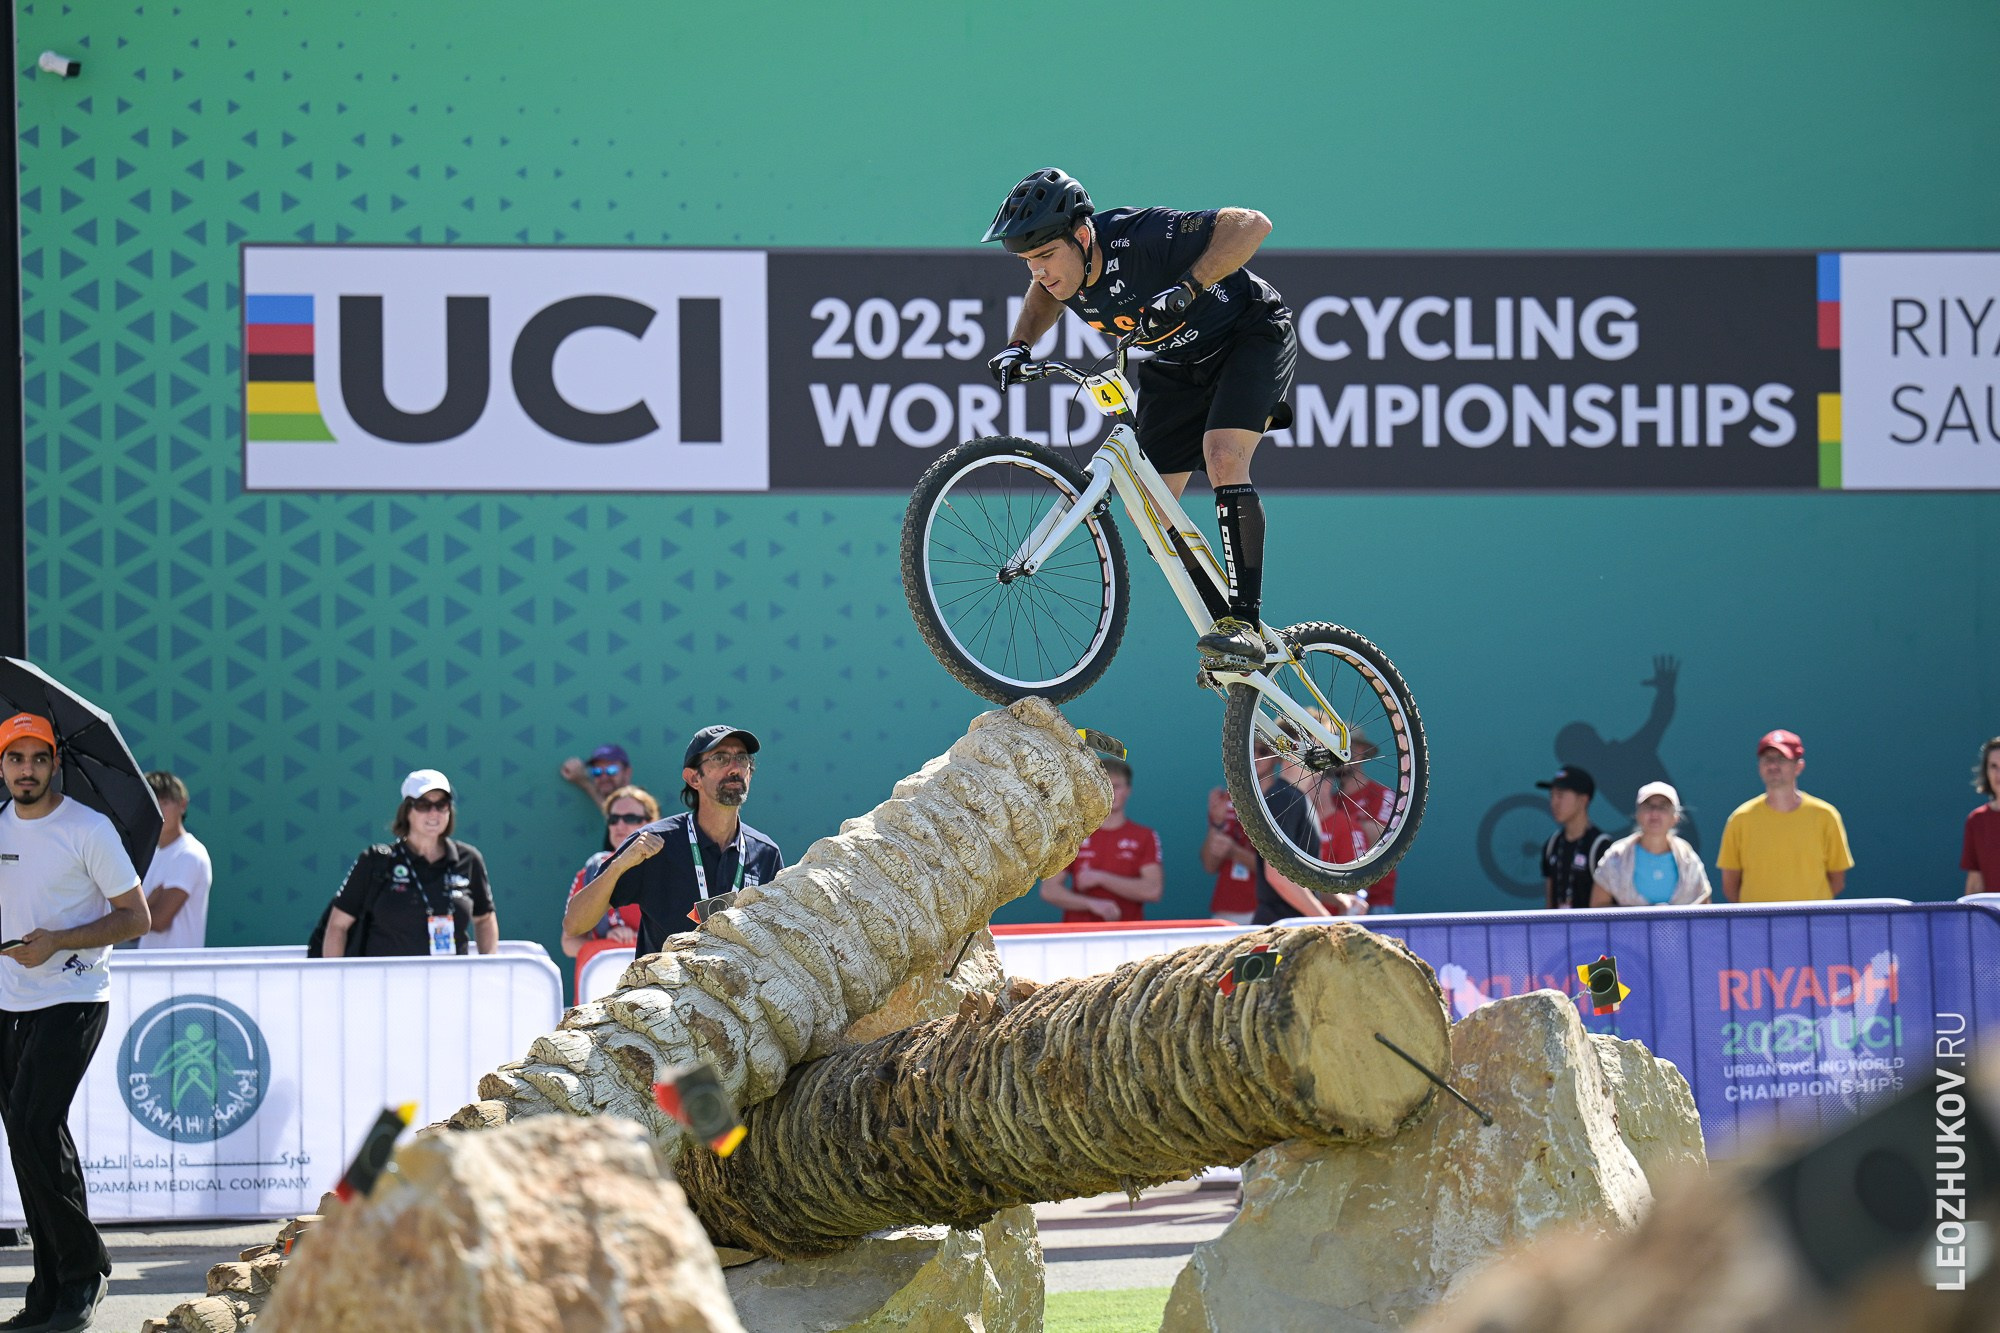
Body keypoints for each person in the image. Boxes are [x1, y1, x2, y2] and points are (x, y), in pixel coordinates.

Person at [982, 167, 1296, 671]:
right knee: (1149, 508)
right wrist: (1018, 346)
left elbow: (1253, 225)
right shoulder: (1060, 274)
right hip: (1173, 366)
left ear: (1083, 237)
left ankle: (1245, 622)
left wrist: (1188, 287)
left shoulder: (1139, 235)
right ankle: (1223, 632)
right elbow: (1046, 292)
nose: (1038, 272)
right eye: (1027, 262)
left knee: (1223, 457)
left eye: (1045, 256)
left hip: (1249, 335)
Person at [0, 712, 150, 1331]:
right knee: (27, 1137)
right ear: (2, 764)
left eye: (38, 758)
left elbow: (135, 917)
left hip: (76, 994)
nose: (27, 770)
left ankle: (84, 1267)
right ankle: (51, 1285)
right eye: (16, 758)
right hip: (10, 1001)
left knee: (36, 1124)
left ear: (55, 761)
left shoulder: (89, 828)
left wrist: (59, 941)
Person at [564, 726, 783, 958]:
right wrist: (618, 866)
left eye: (742, 759)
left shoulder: (765, 853)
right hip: (666, 991)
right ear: (693, 778)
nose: (734, 768)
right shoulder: (653, 843)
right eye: (720, 758)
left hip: (738, 990)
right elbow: (575, 925)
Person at [321, 770, 499, 957]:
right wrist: (335, 979)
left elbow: (485, 918)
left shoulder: (468, 859)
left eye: (441, 805)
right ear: (407, 811)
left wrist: (488, 964)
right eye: (423, 805)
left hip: (450, 981)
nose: (433, 813)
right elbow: (338, 926)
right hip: (385, 982)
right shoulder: (376, 860)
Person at [1716, 730, 1854, 903]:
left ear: (1799, 766)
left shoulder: (1826, 816)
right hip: (1759, 927)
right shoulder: (1740, 819)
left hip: (1811, 925)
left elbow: (1837, 881)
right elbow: (1730, 885)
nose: (1773, 765)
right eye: (1767, 759)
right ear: (1759, 766)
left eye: (1781, 759)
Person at [1039, 757, 1162, 924]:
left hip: (1128, 935)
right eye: (1104, 786)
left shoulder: (1144, 836)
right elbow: (1049, 890)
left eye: (1117, 786)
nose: (1111, 792)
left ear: (1128, 790)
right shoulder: (1075, 834)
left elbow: (1153, 890)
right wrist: (1091, 904)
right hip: (1079, 935)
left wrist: (1101, 878)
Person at [561, 785, 658, 958]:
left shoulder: (671, 867)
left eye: (630, 818)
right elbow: (569, 943)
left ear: (651, 822)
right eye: (613, 819)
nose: (619, 825)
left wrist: (640, 943)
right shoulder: (592, 871)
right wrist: (608, 945)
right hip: (606, 980)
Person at [1311, 734, 1400, 913]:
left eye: (1344, 750)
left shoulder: (1382, 794)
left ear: (1360, 753)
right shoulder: (1331, 801)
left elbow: (1382, 839)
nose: (1336, 756)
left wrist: (1345, 827)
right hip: (1340, 900)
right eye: (1332, 751)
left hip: (1376, 899)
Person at [1249, 747, 1336, 925]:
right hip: (1282, 935)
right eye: (1320, 740)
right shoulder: (1283, 798)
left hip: (1291, 931)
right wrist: (1329, 924)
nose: (1329, 747)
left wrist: (1339, 900)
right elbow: (1277, 875)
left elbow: (1299, 879)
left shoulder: (1295, 797)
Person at [1591, 782, 1713, 907]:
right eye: (1648, 806)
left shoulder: (1687, 857)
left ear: (1675, 818)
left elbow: (1704, 905)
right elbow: (1598, 906)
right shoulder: (1616, 855)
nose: (1655, 813)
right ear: (1637, 815)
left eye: (1663, 807)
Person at [134, 771, 212, 951]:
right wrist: (148, 905)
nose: (159, 810)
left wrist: (138, 911)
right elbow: (137, 927)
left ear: (182, 805)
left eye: (165, 802)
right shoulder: (153, 855)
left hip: (179, 973)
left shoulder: (190, 854)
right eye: (153, 802)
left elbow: (160, 920)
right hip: (147, 971)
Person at [1538, 766, 1610, 910]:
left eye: (1560, 796)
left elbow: (1606, 906)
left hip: (1592, 930)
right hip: (1558, 930)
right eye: (1551, 796)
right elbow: (1549, 905)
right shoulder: (1552, 844)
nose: (1554, 803)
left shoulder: (1601, 846)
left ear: (1583, 800)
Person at [1201, 787, 1257, 925]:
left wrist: (1235, 852)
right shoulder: (1226, 798)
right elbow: (1209, 866)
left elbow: (1281, 871)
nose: (1254, 763)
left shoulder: (1281, 798)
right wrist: (1217, 824)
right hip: (1226, 910)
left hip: (1264, 910)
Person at [1962, 737, 2000, 895]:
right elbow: (1975, 882)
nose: (1999, 773)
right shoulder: (1977, 820)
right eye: (1993, 766)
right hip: (1992, 918)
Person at [559, 743, 633, 814]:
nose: (604, 777)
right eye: (597, 771)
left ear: (627, 772)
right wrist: (584, 782)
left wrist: (584, 782)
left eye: (611, 770)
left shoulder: (640, 806)